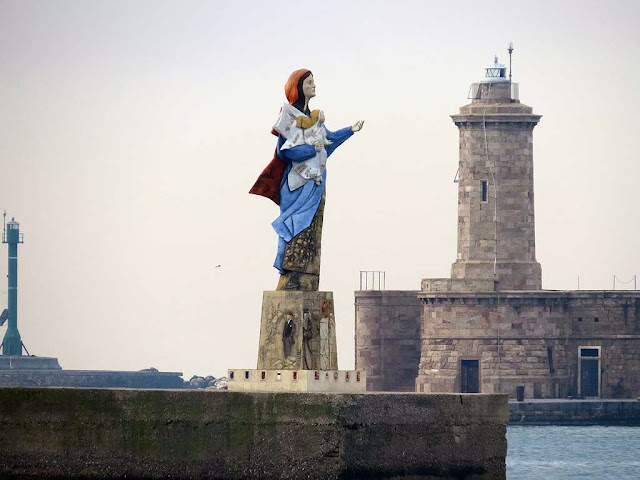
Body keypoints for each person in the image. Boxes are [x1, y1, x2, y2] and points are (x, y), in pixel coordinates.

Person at [250, 69, 364, 290]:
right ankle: (290, 273)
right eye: (310, 82)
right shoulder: (289, 117)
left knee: (311, 227)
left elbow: (328, 140)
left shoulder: (314, 119)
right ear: (299, 87)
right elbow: (285, 152)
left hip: (316, 183)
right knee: (293, 224)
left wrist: (350, 130)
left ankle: (306, 274)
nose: (314, 85)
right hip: (297, 183)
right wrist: (312, 149)